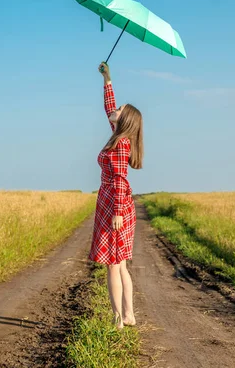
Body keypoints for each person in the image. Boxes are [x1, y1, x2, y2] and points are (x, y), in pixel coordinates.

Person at [89, 62, 144, 330]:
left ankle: (117, 321)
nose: (115, 109)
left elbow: (121, 181)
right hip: (112, 204)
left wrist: (118, 213)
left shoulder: (121, 144)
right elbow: (107, 105)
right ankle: (129, 315)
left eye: (119, 110)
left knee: (113, 265)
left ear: (124, 120)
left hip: (116, 207)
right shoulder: (118, 137)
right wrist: (107, 79)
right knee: (120, 265)